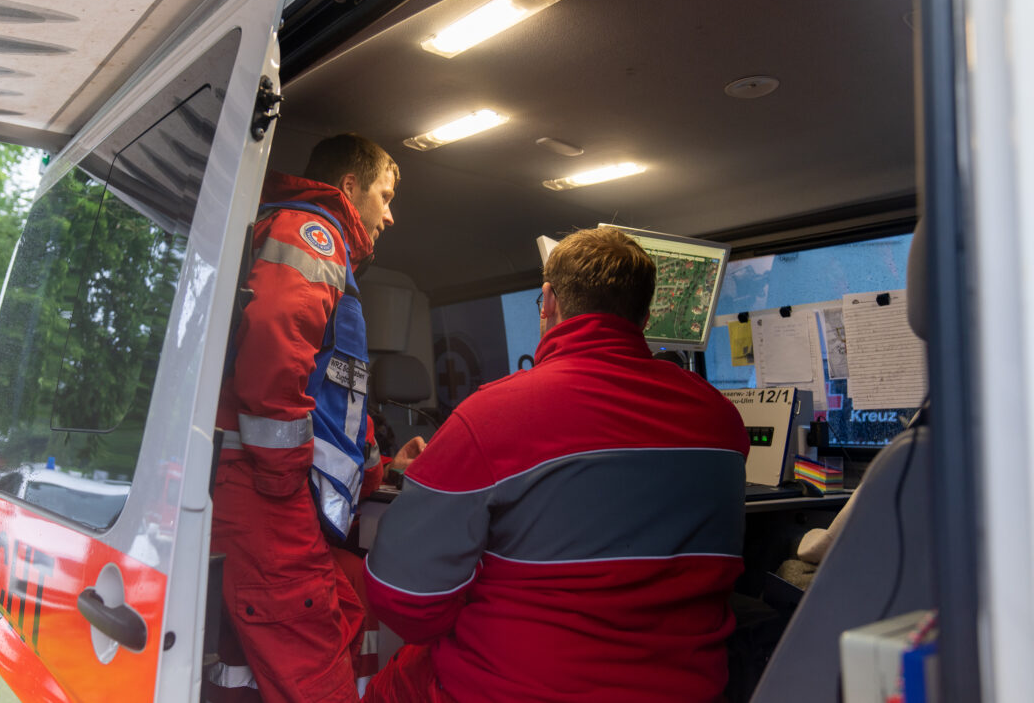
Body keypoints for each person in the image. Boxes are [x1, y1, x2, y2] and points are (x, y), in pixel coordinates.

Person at [363, 226, 751, 703]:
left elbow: (404, 600)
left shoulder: (491, 416)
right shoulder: (722, 422)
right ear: (645, 316)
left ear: (548, 301)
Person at [209, 134, 424, 703]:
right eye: (385, 193)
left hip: (275, 496)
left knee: (346, 607)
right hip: (267, 495)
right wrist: (283, 481)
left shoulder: (330, 254)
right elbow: (275, 344)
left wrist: (380, 470)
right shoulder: (315, 236)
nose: (391, 213)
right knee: (316, 673)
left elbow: (337, 396)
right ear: (350, 189)